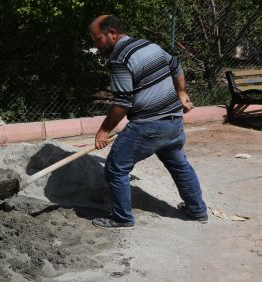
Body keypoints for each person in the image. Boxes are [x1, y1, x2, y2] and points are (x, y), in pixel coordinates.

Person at [89, 15, 208, 229]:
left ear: (112, 34)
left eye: (98, 40)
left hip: (148, 126)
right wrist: (181, 93)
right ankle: (197, 210)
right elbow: (176, 65)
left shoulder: (118, 59)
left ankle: (122, 218)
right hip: (173, 123)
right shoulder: (149, 45)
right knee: (179, 164)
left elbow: (122, 103)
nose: (96, 46)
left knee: (115, 168)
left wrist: (104, 131)